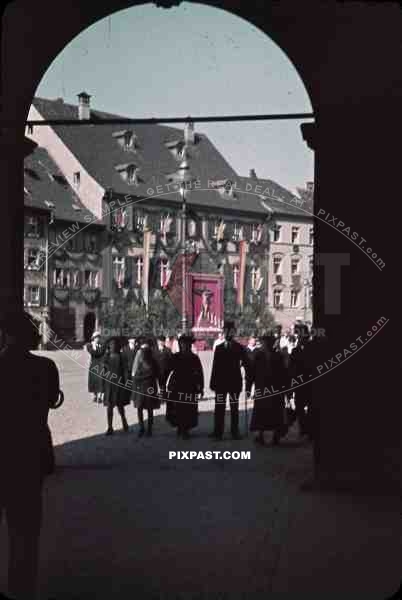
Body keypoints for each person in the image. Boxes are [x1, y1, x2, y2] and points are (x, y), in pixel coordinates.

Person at [0, 311, 60, 600]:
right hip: (30, 452)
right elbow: (52, 400)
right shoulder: (45, 367)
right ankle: (21, 588)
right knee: (25, 529)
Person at [209, 320, 250, 440]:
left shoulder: (239, 348)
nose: (227, 333)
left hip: (234, 383)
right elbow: (215, 367)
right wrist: (213, 383)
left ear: (234, 332)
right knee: (219, 408)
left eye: (230, 331)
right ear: (223, 332)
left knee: (234, 408)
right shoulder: (219, 348)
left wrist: (248, 379)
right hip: (220, 384)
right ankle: (218, 432)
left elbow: (246, 364)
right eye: (225, 331)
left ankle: (234, 431)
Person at [249, 334, 288, 446]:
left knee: (276, 412)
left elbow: (284, 373)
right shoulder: (258, 356)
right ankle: (260, 435)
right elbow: (252, 372)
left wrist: (286, 389)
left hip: (275, 388)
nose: (266, 345)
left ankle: (276, 436)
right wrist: (248, 387)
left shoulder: (278, 356)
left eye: (268, 343)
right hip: (262, 387)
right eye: (265, 343)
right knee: (261, 412)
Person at [165, 333, 204, 439]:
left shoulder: (194, 358)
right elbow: (167, 371)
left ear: (190, 345)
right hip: (176, 386)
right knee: (177, 408)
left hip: (190, 386)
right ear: (180, 345)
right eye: (182, 344)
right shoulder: (175, 357)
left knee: (188, 409)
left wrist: (201, 387)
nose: (184, 346)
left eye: (187, 344)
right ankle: (180, 427)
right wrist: (163, 385)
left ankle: (185, 429)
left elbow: (200, 373)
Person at [131, 340, 160, 437]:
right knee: (143, 409)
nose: (143, 352)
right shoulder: (142, 361)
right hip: (144, 389)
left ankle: (148, 428)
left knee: (148, 409)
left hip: (147, 388)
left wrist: (138, 378)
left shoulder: (151, 362)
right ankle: (142, 427)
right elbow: (136, 374)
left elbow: (153, 374)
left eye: (145, 350)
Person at [102, 337, 130, 435]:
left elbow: (126, 371)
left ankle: (124, 422)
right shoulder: (106, 357)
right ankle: (110, 427)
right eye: (111, 344)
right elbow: (103, 373)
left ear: (118, 346)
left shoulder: (122, 357)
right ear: (109, 346)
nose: (113, 346)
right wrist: (102, 387)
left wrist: (127, 383)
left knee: (120, 406)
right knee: (109, 407)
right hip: (109, 386)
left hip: (119, 385)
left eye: (114, 345)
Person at [86, 331, 105, 403]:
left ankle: (100, 397)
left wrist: (97, 347)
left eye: (98, 337)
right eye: (96, 337)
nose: (97, 339)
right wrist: (94, 347)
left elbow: (100, 353)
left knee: (100, 380)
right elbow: (93, 353)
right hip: (93, 365)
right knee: (93, 380)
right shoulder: (89, 345)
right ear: (93, 338)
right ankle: (95, 395)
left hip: (100, 364)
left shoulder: (102, 345)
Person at [245, 334, 259, 399]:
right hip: (248, 370)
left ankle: (255, 395)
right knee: (248, 383)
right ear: (249, 341)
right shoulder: (245, 350)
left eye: (254, 341)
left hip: (256, 369)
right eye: (252, 341)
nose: (254, 342)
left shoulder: (258, 350)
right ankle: (248, 395)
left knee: (256, 383)